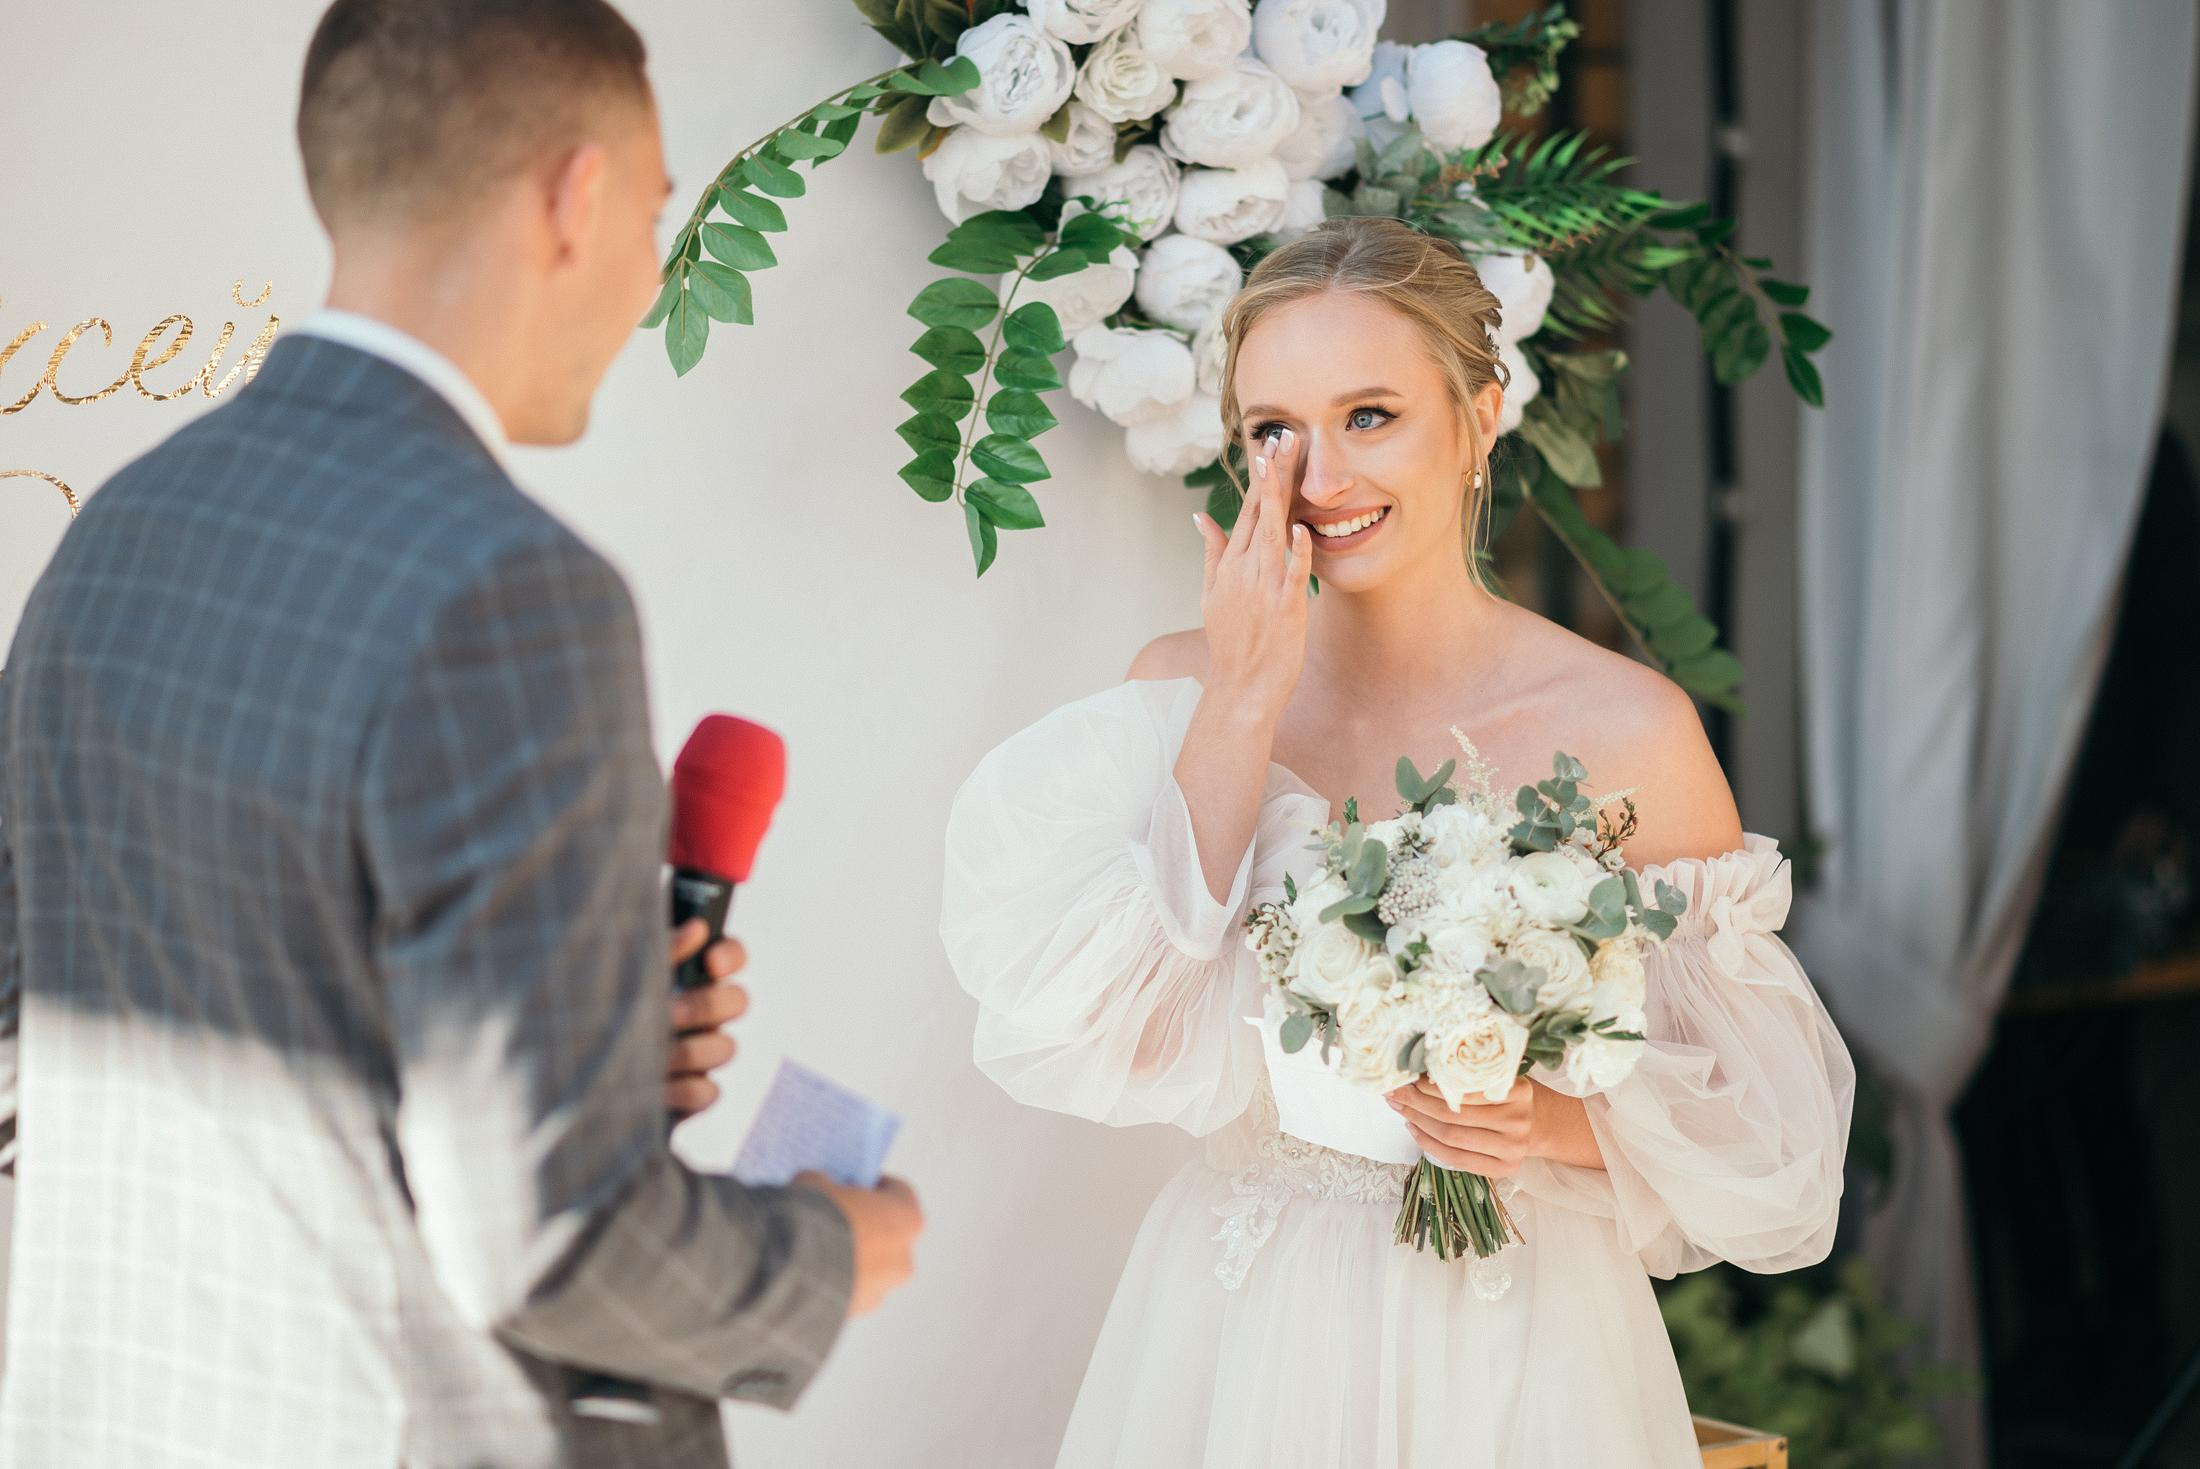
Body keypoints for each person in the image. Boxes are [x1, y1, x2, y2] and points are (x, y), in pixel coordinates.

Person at [0, 3, 921, 1465]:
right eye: (662, 210)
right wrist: (827, 1249)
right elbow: (546, 1240)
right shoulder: (517, 591)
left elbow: (35, 1065)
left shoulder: (109, 537)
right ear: (579, 195)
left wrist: (592, 1044)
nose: (647, 279)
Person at [940, 216, 1852, 1468]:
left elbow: (1763, 1133)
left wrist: (1541, 1121)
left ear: (1479, 417)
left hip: (1517, 1333)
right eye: (1274, 429)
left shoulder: (1627, 728)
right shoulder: (1181, 690)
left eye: (1370, 414)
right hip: (1240, 1320)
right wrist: (1243, 697)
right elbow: (1119, 1026)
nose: (1319, 475)